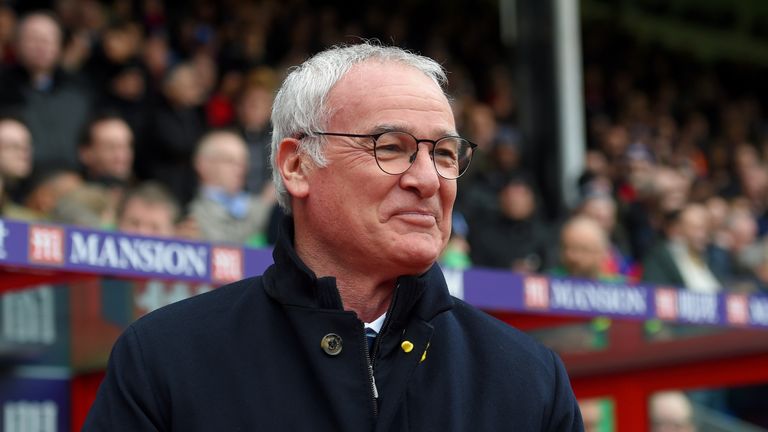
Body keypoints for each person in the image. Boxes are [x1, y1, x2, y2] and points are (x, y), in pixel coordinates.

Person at [84, 43, 583, 431]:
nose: (428, 179)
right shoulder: (165, 358)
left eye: (446, 154)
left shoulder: (530, 379)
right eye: (392, 147)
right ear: (297, 166)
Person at [0, 11, 91, 168]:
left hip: (73, 176)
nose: (41, 46)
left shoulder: (79, 89)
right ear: (16, 44)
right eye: (33, 39)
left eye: (48, 39)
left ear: (59, 46)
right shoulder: (3, 87)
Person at [187, 129, 273, 245]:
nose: (241, 169)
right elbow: (226, 249)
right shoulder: (194, 214)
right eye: (230, 161)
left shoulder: (252, 204)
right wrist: (265, 204)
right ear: (203, 164)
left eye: (243, 162)